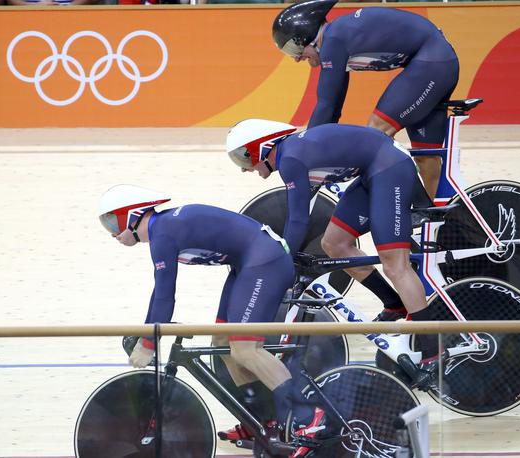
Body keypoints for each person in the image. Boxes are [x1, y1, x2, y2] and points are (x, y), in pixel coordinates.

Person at [98, 184, 323, 458]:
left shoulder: (163, 233)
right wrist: (147, 333)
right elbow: (160, 291)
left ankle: (308, 415)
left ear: (131, 216)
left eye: (112, 221)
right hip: (247, 262)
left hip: (265, 261)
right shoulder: (162, 231)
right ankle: (263, 421)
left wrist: (148, 342)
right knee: (222, 342)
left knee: (245, 349)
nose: (111, 233)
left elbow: (166, 295)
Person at [271, 0, 458, 320]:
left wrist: (303, 156)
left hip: (430, 61)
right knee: (426, 156)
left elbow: (327, 106)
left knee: (376, 133)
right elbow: (334, 106)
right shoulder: (335, 41)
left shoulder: (332, 41)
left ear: (304, 34)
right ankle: (424, 222)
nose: (296, 58)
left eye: (292, 48)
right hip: (432, 60)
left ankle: (404, 212)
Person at [226, 119, 442, 377]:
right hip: (373, 170)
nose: (243, 168)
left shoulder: (290, 160)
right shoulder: (290, 154)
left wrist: (282, 259)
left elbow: (298, 219)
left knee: (395, 265)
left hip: (388, 169)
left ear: (262, 147)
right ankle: (394, 303)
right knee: (335, 243)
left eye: (244, 158)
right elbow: (298, 214)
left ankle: (432, 349)